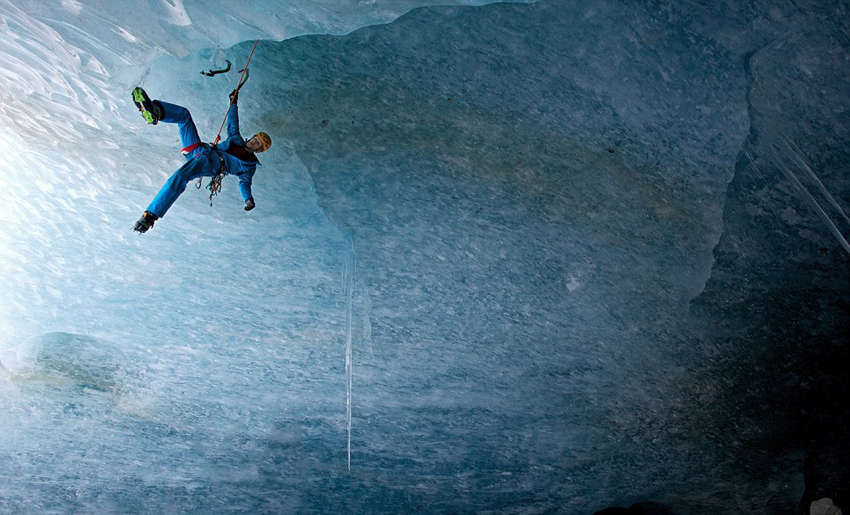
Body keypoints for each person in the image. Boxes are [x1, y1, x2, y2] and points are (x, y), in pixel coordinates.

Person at [131, 87, 272, 233]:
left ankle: (150, 216)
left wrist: (248, 199)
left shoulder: (249, 166)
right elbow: (232, 122)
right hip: (199, 150)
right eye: (255, 139)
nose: (253, 142)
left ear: (258, 150)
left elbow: (245, 183)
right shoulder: (236, 139)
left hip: (209, 164)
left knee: (181, 176)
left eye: (257, 144)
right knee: (184, 116)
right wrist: (233, 102)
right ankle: (155, 111)